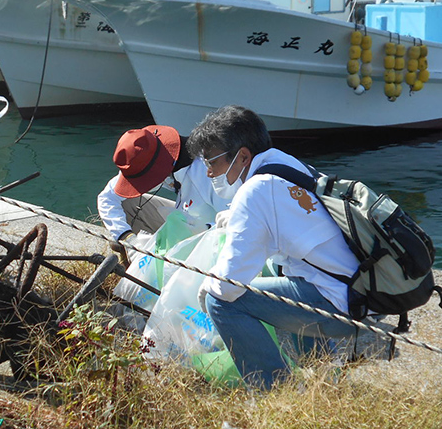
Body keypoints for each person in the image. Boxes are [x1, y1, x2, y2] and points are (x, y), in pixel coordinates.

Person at [189, 105, 360, 389]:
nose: (208, 173)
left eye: (211, 162)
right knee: (283, 273)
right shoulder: (283, 163)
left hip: (337, 305)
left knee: (219, 302)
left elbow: (229, 285)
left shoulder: (254, 192)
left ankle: (277, 393)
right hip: (356, 291)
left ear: (242, 156)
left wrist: (206, 286)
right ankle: (324, 378)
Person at [97, 124, 231, 263]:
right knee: (127, 203)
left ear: (158, 170)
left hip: (212, 234)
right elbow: (107, 198)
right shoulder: (147, 156)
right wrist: (127, 238)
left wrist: (206, 229)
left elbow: (237, 221)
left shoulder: (209, 172)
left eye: (141, 182)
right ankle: (136, 269)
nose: (139, 186)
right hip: (184, 219)